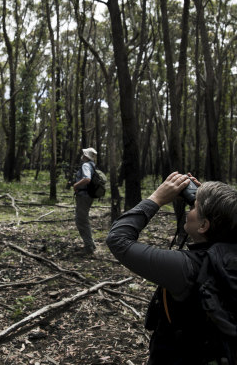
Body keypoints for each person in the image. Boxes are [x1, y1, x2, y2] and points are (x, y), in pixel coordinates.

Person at [106, 172, 237, 364]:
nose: (187, 210)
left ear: (203, 225)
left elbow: (117, 239)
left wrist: (156, 198)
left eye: (193, 207)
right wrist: (208, 199)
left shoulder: (186, 267)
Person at [73, 147, 97, 255]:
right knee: (84, 219)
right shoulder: (92, 165)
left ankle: (88, 248)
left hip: (84, 196)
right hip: (88, 196)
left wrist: (76, 185)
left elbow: (87, 179)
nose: (82, 155)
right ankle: (91, 244)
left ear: (86, 156)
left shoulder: (86, 165)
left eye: (83, 154)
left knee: (81, 221)